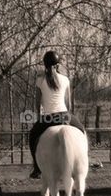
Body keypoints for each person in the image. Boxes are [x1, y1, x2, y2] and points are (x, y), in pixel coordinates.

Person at [29, 51, 85, 179]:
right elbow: (69, 104)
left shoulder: (40, 80)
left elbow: (37, 103)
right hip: (65, 115)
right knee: (82, 130)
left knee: (32, 135)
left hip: (48, 118)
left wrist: (40, 117)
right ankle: (83, 159)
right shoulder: (65, 79)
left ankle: (37, 169)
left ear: (45, 65)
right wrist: (69, 116)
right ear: (58, 65)